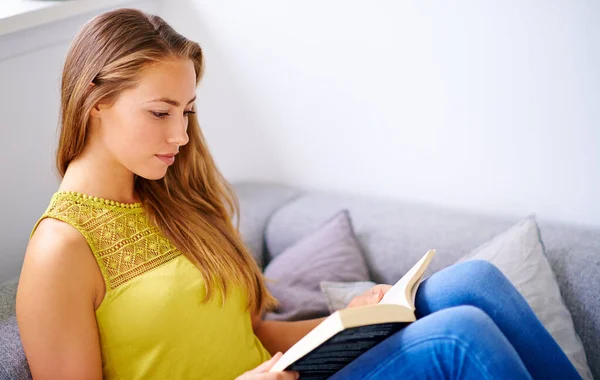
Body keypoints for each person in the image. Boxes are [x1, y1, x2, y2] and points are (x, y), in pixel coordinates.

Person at [15, 8, 580, 380]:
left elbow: (255, 334)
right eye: (160, 113)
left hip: (294, 371)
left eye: (187, 113)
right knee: (462, 336)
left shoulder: (173, 200)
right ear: (96, 103)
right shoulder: (61, 250)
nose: (181, 136)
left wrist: (352, 319)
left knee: (475, 282)